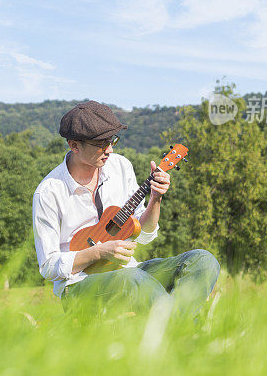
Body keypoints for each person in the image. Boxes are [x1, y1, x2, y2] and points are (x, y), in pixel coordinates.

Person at [32, 100, 220, 318]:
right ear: (74, 145)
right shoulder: (49, 192)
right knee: (134, 280)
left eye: (112, 141)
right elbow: (48, 266)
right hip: (79, 286)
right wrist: (99, 252)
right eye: (101, 144)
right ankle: (184, 328)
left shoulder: (120, 166)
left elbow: (144, 235)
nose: (110, 149)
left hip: (130, 272)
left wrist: (156, 198)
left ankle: (173, 325)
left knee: (202, 261)